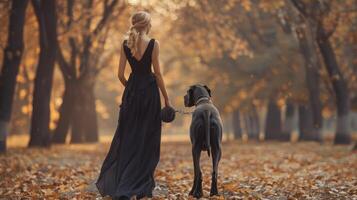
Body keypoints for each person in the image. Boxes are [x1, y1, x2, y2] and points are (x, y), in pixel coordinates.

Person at [96, 11, 171, 199]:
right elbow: (158, 73)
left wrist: (131, 89)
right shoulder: (154, 44)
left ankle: (124, 182)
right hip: (150, 95)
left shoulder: (125, 44)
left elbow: (120, 75)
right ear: (147, 25)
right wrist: (167, 99)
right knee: (148, 138)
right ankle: (142, 185)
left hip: (131, 94)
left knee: (129, 137)